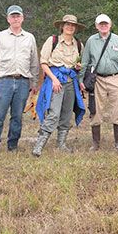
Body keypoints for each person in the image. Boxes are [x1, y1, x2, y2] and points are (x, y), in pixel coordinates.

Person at [0, 5, 39, 153]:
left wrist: (34, 83)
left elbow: (34, 61)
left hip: (23, 82)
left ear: (22, 18)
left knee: (17, 116)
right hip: (3, 81)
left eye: (18, 16)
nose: (15, 19)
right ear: (8, 19)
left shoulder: (29, 38)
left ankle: (13, 145)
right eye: (12, 16)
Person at [32, 14, 86, 157]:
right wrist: (54, 79)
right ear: (62, 26)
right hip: (55, 81)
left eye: (73, 25)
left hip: (71, 83)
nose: (70, 27)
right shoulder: (53, 41)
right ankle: (39, 145)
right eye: (67, 24)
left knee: (67, 114)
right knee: (54, 113)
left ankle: (61, 144)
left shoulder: (79, 44)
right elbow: (44, 62)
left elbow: (80, 65)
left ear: (76, 28)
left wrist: (78, 68)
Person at [79, 14, 118, 151]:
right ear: (96, 26)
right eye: (100, 24)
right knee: (96, 110)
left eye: (106, 24)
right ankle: (96, 143)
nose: (103, 26)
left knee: (117, 110)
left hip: (115, 78)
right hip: (98, 80)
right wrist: (81, 79)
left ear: (110, 25)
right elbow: (85, 61)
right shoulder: (91, 41)